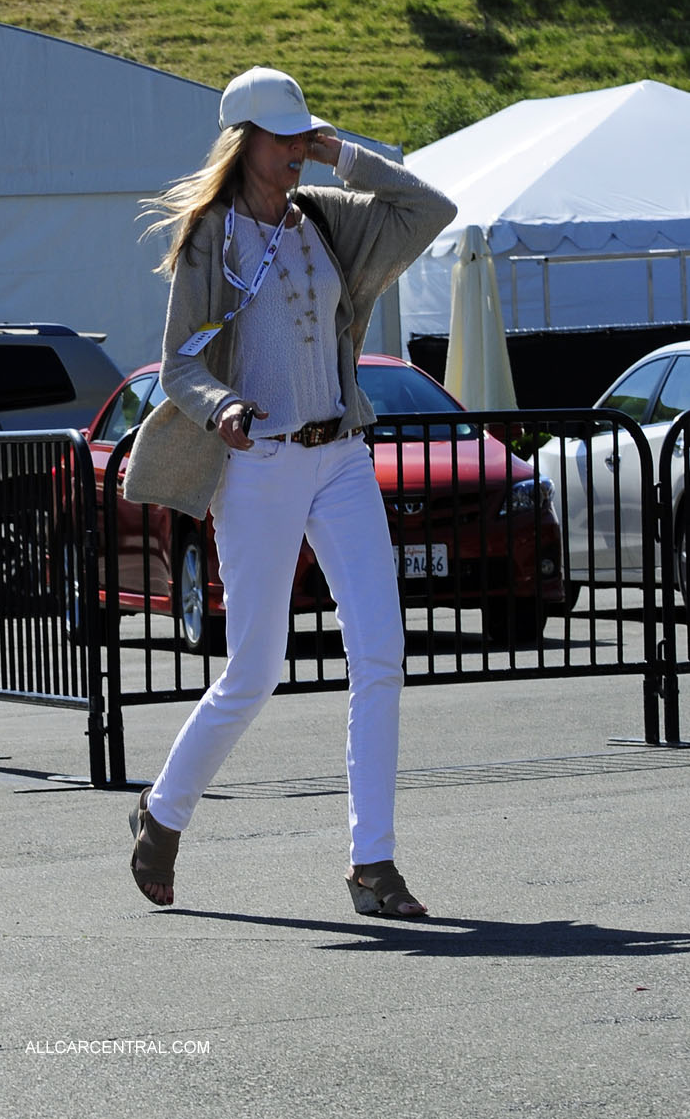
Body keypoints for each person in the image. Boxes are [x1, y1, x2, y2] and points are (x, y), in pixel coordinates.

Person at [124, 65, 456, 917]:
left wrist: (346, 153)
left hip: (340, 454)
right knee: (256, 668)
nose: (296, 154)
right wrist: (221, 403)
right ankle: (163, 816)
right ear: (244, 145)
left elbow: (430, 211)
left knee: (380, 651)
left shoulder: (325, 216)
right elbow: (182, 363)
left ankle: (371, 865)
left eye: (305, 137)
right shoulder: (209, 239)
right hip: (260, 464)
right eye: (285, 141)